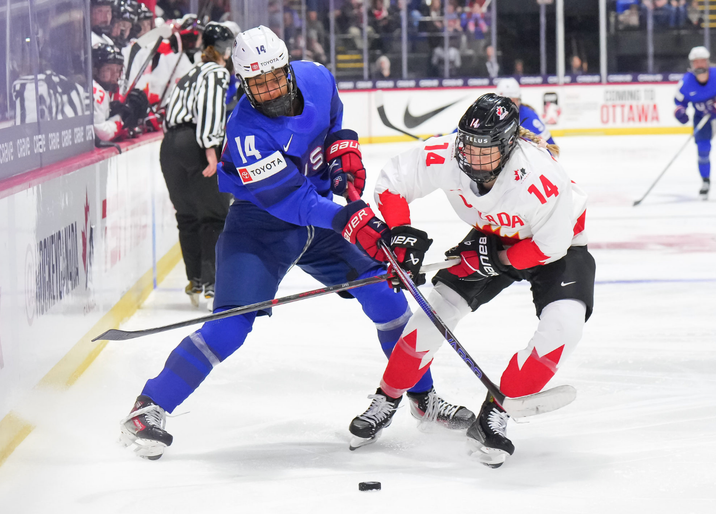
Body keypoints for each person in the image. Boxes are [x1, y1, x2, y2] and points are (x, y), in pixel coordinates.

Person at [119, 25, 475, 459]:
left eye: (273, 77)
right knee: (229, 327)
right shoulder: (246, 131)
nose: (268, 90)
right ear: (244, 83)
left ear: (287, 68)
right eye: (257, 83)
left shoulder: (317, 77)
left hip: (322, 215)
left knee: (387, 299)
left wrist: (344, 153)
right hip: (262, 227)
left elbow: (333, 123)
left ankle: (422, 398)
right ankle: (150, 406)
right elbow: (294, 202)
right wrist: (351, 219)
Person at [349, 93, 595, 468]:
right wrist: (400, 235)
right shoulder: (448, 154)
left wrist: (495, 261)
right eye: (468, 145)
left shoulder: (541, 178)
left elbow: (549, 248)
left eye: (486, 150)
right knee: (434, 313)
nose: (471, 157)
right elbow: (391, 181)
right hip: (491, 236)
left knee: (564, 329)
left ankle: (496, 412)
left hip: (557, 247)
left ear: (510, 145)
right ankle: (388, 396)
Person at [157, 22, 235, 309]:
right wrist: (211, 150)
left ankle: (196, 279)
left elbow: (170, 114)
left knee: (187, 216)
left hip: (169, 147)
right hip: (196, 145)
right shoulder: (216, 72)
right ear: (223, 49)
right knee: (214, 215)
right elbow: (210, 109)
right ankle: (214, 282)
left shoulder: (189, 72)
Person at [675, 45, 715, 199]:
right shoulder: (686, 83)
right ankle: (705, 181)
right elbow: (679, 103)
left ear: (707, 62)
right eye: (695, 62)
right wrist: (680, 113)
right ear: (692, 64)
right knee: (703, 150)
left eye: (702, 61)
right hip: (702, 118)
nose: (699, 65)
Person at [92, 43, 148, 142]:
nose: (115, 75)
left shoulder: (111, 90)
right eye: (108, 69)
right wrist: (121, 118)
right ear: (95, 70)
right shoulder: (96, 91)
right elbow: (101, 134)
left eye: (118, 70)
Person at [496, 77, 555, 145]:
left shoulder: (529, 117)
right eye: (504, 102)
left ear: (518, 99)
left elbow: (551, 146)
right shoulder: (492, 116)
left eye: (512, 101)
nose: (508, 106)